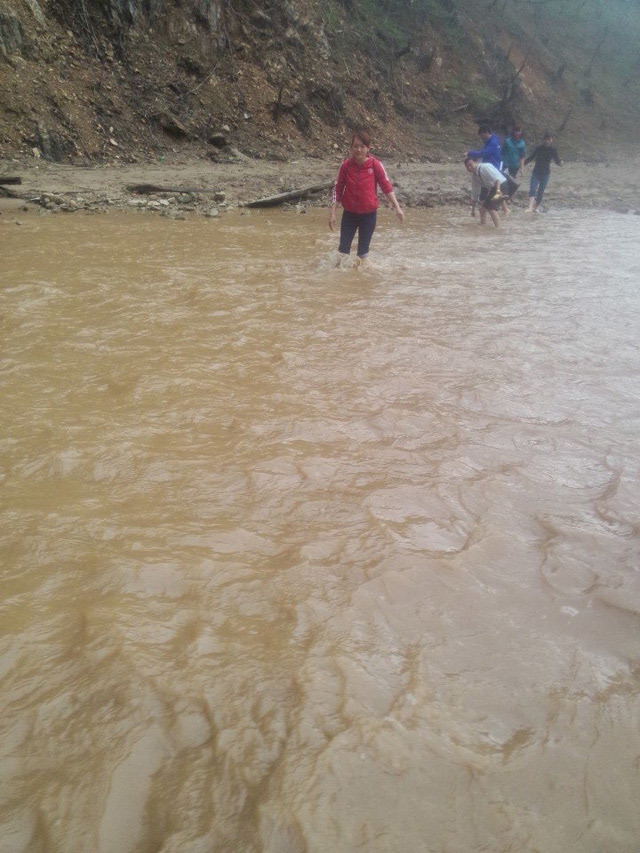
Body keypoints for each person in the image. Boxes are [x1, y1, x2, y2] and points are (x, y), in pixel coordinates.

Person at [329, 130, 404, 264]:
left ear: (368, 148)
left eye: (362, 146)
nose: (358, 149)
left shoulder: (375, 165)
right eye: (355, 146)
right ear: (351, 148)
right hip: (349, 215)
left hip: (368, 216)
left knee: (363, 254)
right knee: (342, 252)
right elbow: (337, 188)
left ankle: (362, 280)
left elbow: (386, 187)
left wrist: (397, 208)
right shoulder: (346, 166)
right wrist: (333, 213)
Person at [464, 157, 510, 228]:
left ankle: (498, 228)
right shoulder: (474, 177)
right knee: (483, 208)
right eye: (467, 167)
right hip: (493, 188)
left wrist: (498, 192)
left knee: (491, 208)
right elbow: (475, 193)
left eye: (470, 165)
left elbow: (497, 180)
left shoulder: (484, 167)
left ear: (476, 162)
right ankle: (483, 225)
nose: (469, 168)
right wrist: (473, 210)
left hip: (501, 185)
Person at [524, 131, 562, 212]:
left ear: (552, 140)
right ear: (543, 140)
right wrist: (523, 163)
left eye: (549, 139)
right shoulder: (539, 148)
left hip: (546, 173)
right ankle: (530, 207)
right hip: (536, 172)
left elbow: (557, 160)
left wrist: (560, 163)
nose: (547, 141)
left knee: (541, 191)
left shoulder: (553, 150)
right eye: (546, 139)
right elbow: (531, 157)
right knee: (533, 189)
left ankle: (535, 208)